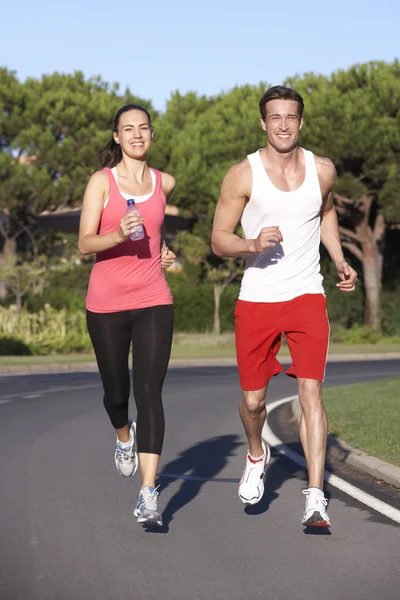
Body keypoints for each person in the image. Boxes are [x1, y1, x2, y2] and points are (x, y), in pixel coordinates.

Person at [211, 86, 357, 528]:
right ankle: (257, 453)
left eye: (290, 117)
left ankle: (315, 497)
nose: (282, 125)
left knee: (311, 393)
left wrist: (338, 257)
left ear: (301, 121)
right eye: (274, 117)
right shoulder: (243, 174)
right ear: (263, 122)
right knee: (253, 402)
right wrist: (252, 242)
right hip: (257, 299)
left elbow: (325, 212)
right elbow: (218, 240)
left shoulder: (322, 170)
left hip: (306, 294)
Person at [78, 104, 176, 527]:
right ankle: (123, 435)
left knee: (149, 391)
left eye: (143, 128)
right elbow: (84, 244)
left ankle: (148, 494)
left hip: (154, 297)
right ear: (116, 137)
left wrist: (163, 249)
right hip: (106, 303)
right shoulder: (102, 183)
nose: (137, 135)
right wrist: (117, 233)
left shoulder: (163, 182)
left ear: (152, 134)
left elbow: (156, 228)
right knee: (117, 395)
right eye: (128, 129)